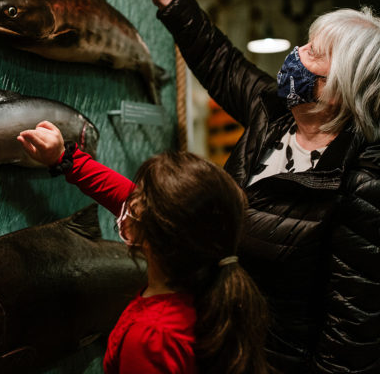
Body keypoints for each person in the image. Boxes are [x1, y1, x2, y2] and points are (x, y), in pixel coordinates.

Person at [129, 0, 380, 373]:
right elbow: (222, 63)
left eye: (312, 53)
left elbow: (355, 334)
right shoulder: (275, 114)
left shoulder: (373, 182)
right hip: (229, 346)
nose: (295, 54)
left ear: (344, 88)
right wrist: (171, 0)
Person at [17, 121, 269, 374]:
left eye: (140, 201)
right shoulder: (215, 292)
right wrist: (64, 158)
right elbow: (133, 199)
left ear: (155, 233)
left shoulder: (150, 340)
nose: (131, 203)